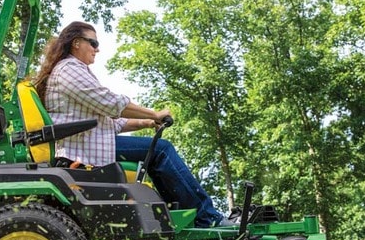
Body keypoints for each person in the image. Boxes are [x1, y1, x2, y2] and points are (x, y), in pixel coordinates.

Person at [33, 21, 231, 228]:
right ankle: (207, 218)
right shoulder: (70, 69)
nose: (97, 49)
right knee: (161, 150)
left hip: (91, 140)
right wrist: (154, 112)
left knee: (156, 150)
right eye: (93, 42)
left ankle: (182, 215)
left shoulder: (71, 70)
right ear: (76, 43)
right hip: (81, 148)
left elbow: (110, 122)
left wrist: (146, 121)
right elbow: (109, 103)